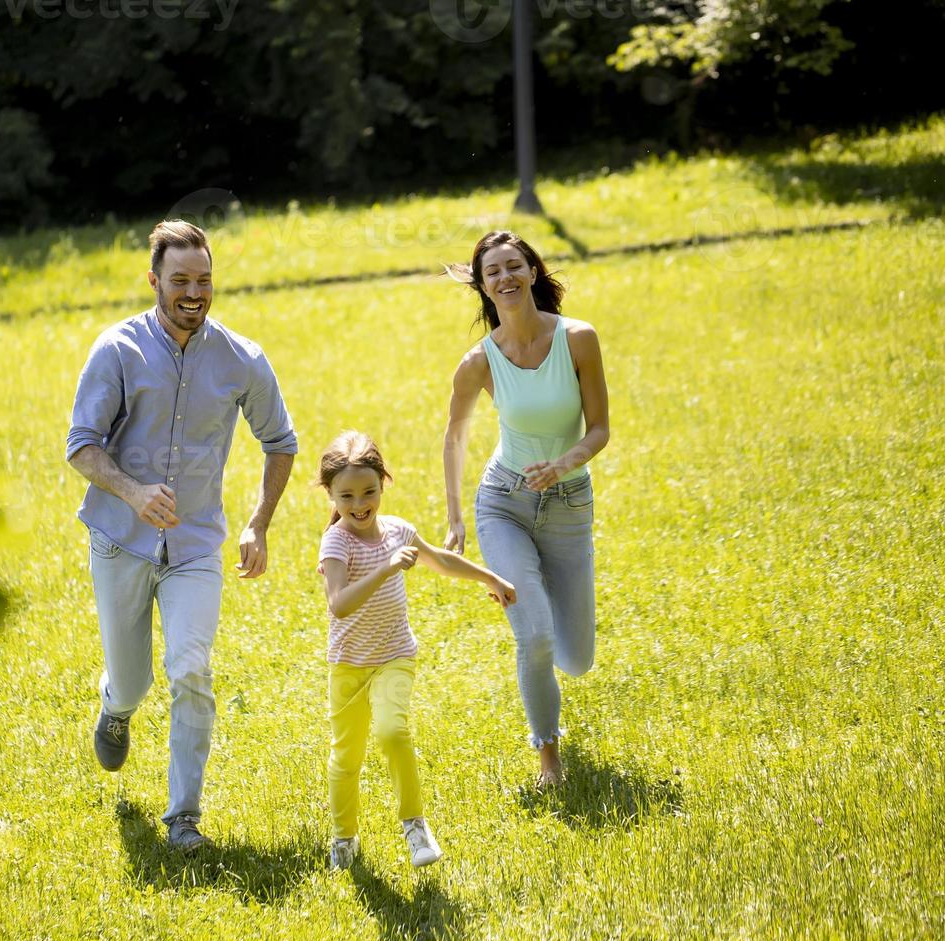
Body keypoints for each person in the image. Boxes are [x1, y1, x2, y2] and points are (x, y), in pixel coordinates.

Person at [66, 219, 299, 851]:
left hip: (195, 545)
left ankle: (183, 818)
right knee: (135, 679)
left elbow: (280, 442)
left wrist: (258, 522)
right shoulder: (117, 350)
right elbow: (80, 448)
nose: (193, 292)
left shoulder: (241, 359)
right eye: (179, 281)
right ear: (154, 281)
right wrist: (136, 493)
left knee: (191, 668)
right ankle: (117, 707)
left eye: (203, 280)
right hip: (120, 538)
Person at [441, 231, 610, 789]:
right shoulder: (479, 362)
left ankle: (537, 615)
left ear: (533, 272)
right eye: (493, 272)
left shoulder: (579, 339)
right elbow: (455, 437)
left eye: (514, 266)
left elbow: (601, 428)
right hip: (504, 505)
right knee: (533, 635)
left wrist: (565, 463)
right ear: (483, 286)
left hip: (568, 504)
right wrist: (456, 517)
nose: (505, 278)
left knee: (576, 658)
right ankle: (549, 761)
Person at [316, 431, 515, 870]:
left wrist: (490, 579)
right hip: (349, 665)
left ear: (383, 483)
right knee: (346, 758)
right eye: (346, 495)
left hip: (393, 656)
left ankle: (414, 825)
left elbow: (441, 561)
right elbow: (340, 604)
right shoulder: (337, 543)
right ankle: (343, 838)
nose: (359, 503)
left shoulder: (399, 531)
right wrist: (386, 569)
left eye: (369, 491)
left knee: (392, 731)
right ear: (329, 494)